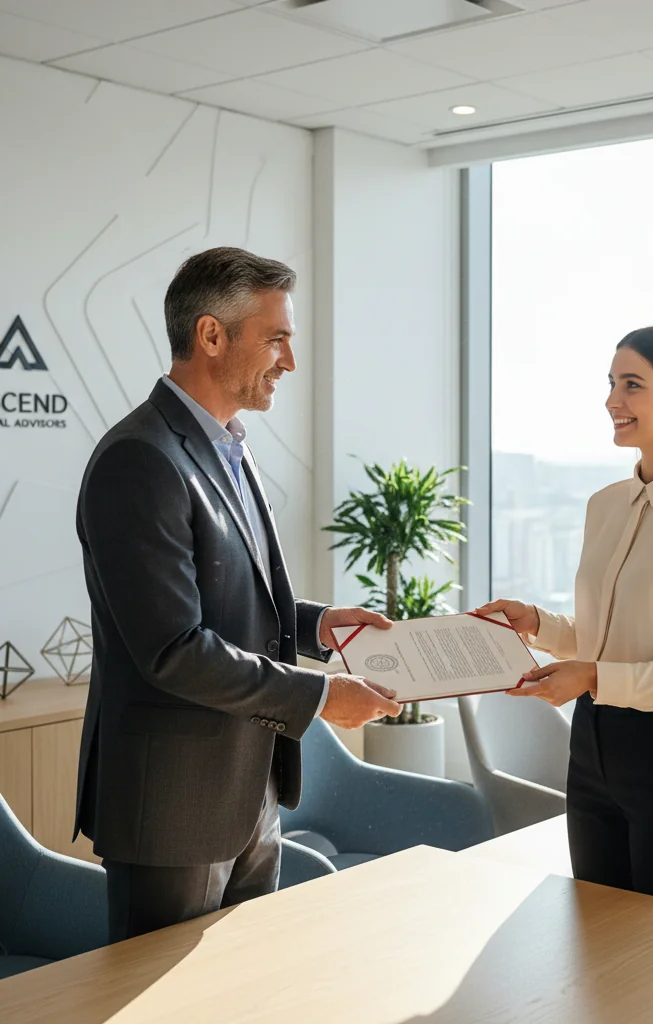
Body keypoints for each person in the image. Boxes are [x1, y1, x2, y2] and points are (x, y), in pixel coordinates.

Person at [74, 246, 401, 941]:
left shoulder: (230, 445)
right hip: (175, 808)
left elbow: (226, 597)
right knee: (161, 997)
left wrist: (317, 626)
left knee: (247, 986)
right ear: (211, 335)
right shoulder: (140, 458)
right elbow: (173, 649)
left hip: (251, 789)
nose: (290, 360)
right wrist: (319, 697)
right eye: (276, 339)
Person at [477, 323, 653, 910]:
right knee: (597, 941)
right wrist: (535, 622)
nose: (612, 400)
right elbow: (606, 639)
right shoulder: (604, 505)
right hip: (591, 752)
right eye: (610, 383)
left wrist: (592, 676)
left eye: (632, 384)